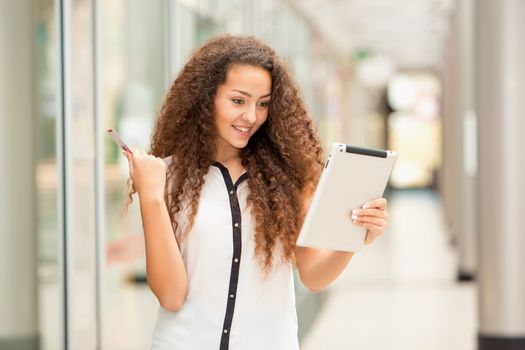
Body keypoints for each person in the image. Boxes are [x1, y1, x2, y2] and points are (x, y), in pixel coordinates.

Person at [123, 35, 389, 350]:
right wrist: (151, 197)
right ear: (206, 97)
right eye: (238, 100)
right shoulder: (166, 176)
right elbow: (170, 294)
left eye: (263, 103)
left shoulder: (290, 178)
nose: (251, 116)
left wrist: (352, 238)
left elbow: (313, 277)